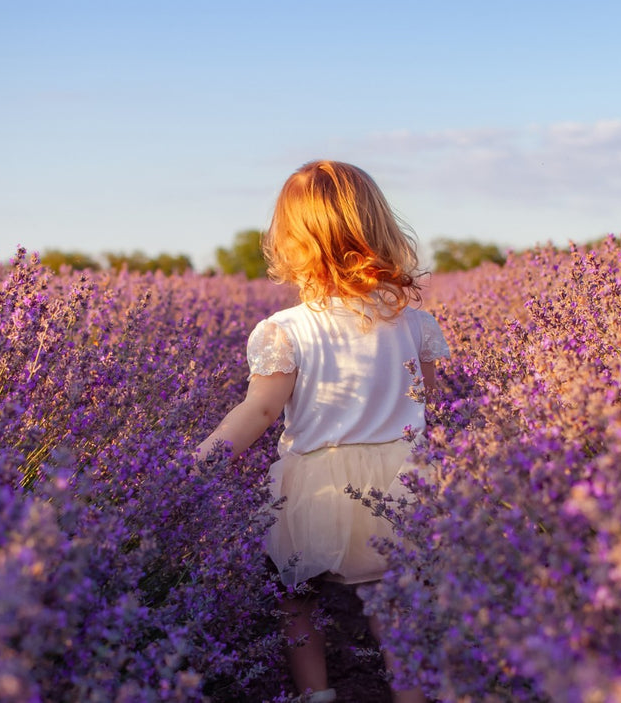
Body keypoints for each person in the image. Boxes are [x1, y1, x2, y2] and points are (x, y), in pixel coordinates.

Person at [196, 160, 448, 703]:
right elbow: (430, 403)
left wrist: (198, 463)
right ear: (379, 229)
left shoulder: (286, 331)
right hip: (404, 483)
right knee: (397, 607)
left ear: (290, 242)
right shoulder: (416, 324)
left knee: (296, 599)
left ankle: (316, 695)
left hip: (317, 488)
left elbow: (259, 412)